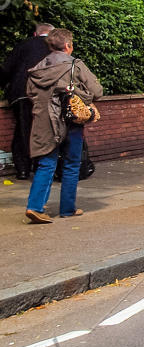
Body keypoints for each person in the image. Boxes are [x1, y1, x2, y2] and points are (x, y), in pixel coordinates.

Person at [23, 27, 102, 223]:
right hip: (70, 122)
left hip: (44, 122)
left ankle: (35, 206)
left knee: (46, 164)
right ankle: (68, 208)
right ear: (67, 45)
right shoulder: (75, 65)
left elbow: (31, 94)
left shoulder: (37, 69)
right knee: (71, 164)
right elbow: (97, 91)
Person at [4, 22, 54, 180]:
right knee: (44, 130)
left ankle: (23, 170)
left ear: (35, 34)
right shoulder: (55, 47)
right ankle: (41, 166)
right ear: (52, 35)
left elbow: (6, 69)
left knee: (22, 130)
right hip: (45, 94)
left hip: (21, 93)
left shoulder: (23, 45)